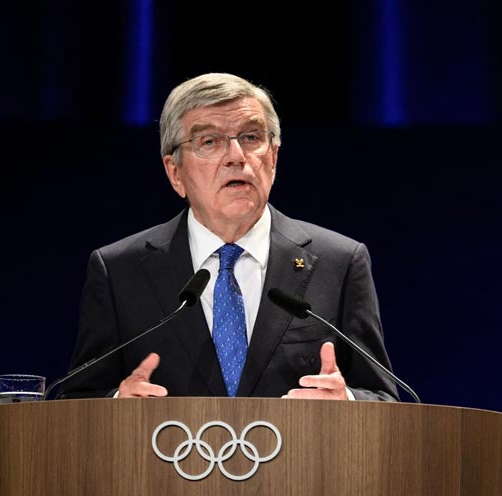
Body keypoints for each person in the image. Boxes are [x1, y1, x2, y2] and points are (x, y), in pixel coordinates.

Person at [57, 73, 398, 401]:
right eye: (209, 142)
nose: (237, 157)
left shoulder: (339, 263)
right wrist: (118, 403)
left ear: (274, 157)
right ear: (175, 173)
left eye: (251, 137)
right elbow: (77, 399)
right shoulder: (119, 271)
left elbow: (384, 397)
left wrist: (346, 402)